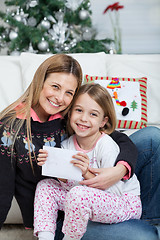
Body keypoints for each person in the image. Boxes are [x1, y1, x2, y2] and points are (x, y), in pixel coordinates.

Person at [0, 53, 158, 239]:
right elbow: (2, 189)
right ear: (40, 81)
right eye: (55, 87)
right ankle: (136, 226)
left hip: (102, 197)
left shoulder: (70, 115)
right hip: (61, 217)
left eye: (69, 93)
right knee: (144, 236)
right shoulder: (10, 128)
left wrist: (119, 170)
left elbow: (118, 139)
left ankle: (143, 218)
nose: (59, 98)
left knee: (152, 137)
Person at [34, 83, 142, 240]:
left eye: (93, 114)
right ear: (70, 113)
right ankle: (45, 237)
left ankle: (70, 238)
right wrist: (58, 171)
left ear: (103, 121)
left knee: (78, 194)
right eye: (78, 110)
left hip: (122, 203)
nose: (83, 118)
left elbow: (114, 191)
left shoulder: (106, 146)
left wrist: (86, 173)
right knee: (45, 186)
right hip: (84, 202)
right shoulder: (67, 144)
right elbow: (70, 186)